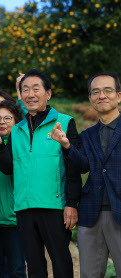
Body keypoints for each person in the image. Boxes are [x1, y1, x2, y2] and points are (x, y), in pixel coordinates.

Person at [0, 68, 81, 278]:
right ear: (20, 96)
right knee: (34, 265)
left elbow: (74, 167)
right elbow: (8, 168)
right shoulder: (17, 129)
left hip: (55, 207)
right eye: (25, 90)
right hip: (24, 207)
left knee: (61, 262)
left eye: (36, 89)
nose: (30, 94)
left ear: (48, 93)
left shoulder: (65, 123)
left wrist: (72, 203)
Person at [51, 72, 121, 277]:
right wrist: (66, 145)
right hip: (91, 213)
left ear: (119, 95)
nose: (102, 96)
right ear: (90, 99)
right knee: (90, 273)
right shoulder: (87, 135)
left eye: (108, 90)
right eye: (95, 92)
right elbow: (82, 166)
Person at [0, 100, 26, 278]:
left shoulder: (21, 145)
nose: (2, 122)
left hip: (15, 220)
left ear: (17, 121)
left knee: (16, 270)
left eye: (8, 118)